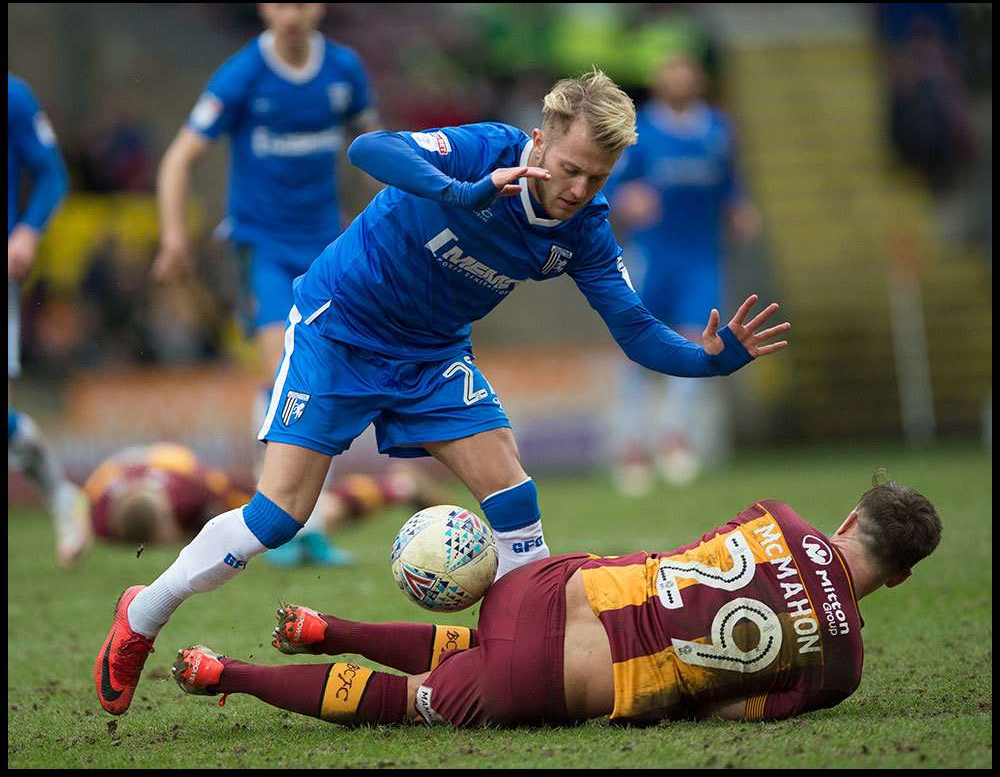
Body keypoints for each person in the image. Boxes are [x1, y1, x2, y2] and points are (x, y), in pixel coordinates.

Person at [95, 68, 790, 716]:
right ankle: (141, 616)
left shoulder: (585, 231)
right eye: (570, 168)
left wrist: (711, 362)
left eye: (596, 176)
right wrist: (462, 190)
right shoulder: (484, 147)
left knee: (513, 492)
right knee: (278, 519)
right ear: (540, 142)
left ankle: (532, 654)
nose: (579, 188)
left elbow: (635, 329)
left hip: (430, 357)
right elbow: (370, 148)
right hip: (342, 331)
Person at [171, 478, 942, 728]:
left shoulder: (779, 516)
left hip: (539, 592)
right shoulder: (842, 671)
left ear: (847, 520)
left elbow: (692, 556)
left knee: (497, 632)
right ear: (900, 578)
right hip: (550, 681)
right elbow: (718, 711)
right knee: (410, 703)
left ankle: (324, 625)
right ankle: (225, 674)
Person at [151, 2, 380, 565]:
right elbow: (179, 158)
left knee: (321, 377)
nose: (291, 13)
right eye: (280, 2)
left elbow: (376, 150)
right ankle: (274, 523)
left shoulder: (344, 71)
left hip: (325, 248)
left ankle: (310, 524)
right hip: (261, 248)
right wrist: (175, 238)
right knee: (283, 370)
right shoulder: (242, 74)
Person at [606, 51, 762, 492]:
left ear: (697, 81)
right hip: (652, 256)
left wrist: (739, 208)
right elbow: (615, 183)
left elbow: (730, 182)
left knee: (699, 342)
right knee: (635, 348)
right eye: (669, 75)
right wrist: (627, 198)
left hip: (701, 258)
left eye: (685, 74)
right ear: (658, 84)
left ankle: (674, 438)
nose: (678, 82)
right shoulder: (642, 132)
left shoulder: (718, 129)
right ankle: (631, 447)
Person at [83, 442, 446, 564]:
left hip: (179, 463)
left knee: (295, 517)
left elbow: (235, 494)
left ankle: (396, 486)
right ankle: (398, 487)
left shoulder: (189, 489)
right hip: (144, 466)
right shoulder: (100, 517)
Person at [7, 73, 90, 567]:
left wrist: (27, 232)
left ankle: (62, 496)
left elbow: (53, 175)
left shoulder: (14, 96)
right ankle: (61, 496)